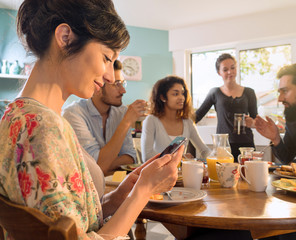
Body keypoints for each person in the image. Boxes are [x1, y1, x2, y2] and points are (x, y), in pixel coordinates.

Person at [0, 0, 183, 239]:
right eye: (107, 58)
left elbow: (70, 223)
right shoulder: (43, 129)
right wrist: (144, 190)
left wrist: (122, 194)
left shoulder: (16, 114)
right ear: (65, 37)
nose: (109, 76)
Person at [63, 59, 147, 175]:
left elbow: (130, 157)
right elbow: (97, 167)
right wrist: (126, 122)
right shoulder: (74, 114)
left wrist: (103, 166)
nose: (123, 90)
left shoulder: (121, 112)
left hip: (114, 185)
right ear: (97, 87)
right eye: (116, 84)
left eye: (122, 83)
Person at [195, 53, 257, 160]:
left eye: (233, 68)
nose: (230, 72)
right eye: (225, 69)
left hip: (246, 144)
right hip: (223, 145)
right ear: (219, 72)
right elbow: (197, 116)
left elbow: (256, 119)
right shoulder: (214, 92)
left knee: (248, 174)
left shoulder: (249, 92)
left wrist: (252, 122)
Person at [141, 75, 211, 162]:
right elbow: (147, 157)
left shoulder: (188, 122)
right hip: (158, 174)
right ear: (163, 97)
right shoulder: (151, 120)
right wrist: (180, 159)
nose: (181, 97)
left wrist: (215, 159)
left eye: (182, 93)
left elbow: (204, 150)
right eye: (175, 94)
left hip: (181, 174)